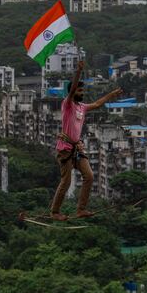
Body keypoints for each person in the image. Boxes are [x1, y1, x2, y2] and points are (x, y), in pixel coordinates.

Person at [50, 59, 122, 221]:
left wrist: (111, 94)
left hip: (77, 149)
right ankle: (55, 211)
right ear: (73, 91)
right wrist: (78, 72)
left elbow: (97, 103)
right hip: (65, 149)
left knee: (89, 176)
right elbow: (73, 88)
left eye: (82, 89)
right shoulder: (67, 104)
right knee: (66, 181)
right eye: (79, 89)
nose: (81, 92)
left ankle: (81, 209)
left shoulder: (82, 107)